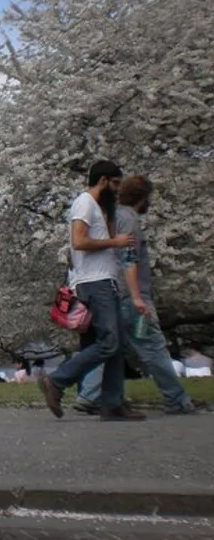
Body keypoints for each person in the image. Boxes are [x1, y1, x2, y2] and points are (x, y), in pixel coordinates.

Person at [72, 175, 206, 415]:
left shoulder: (112, 216)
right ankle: (176, 399)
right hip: (129, 295)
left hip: (113, 292)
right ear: (142, 198)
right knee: (153, 347)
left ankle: (88, 395)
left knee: (111, 346)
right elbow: (128, 260)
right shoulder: (128, 220)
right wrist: (137, 298)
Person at [37, 160, 146, 421]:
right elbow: (79, 241)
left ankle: (112, 403)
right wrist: (114, 240)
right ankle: (57, 380)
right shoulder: (84, 203)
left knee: (116, 345)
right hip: (94, 283)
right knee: (109, 343)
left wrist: (110, 226)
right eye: (116, 183)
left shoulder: (100, 207)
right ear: (103, 181)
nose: (119, 190)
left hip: (104, 280)